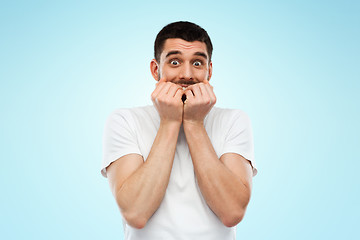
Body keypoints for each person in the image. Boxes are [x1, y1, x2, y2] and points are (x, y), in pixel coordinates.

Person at [101, 21, 257, 240]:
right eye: (175, 62)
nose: (187, 74)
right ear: (156, 69)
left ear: (209, 71)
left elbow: (232, 212)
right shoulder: (125, 120)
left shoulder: (233, 120)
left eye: (197, 63)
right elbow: (135, 213)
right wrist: (170, 122)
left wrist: (193, 123)